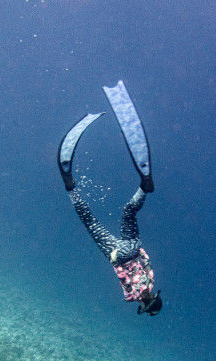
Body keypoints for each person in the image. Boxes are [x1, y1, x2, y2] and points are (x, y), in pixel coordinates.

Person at [57, 81, 162, 316]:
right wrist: (115, 259)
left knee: (128, 211)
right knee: (91, 223)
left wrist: (135, 249)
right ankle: (71, 188)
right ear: (146, 304)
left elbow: (146, 260)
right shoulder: (131, 297)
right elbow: (123, 279)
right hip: (119, 255)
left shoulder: (152, 282)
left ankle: (143, 189)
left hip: (133, 248)